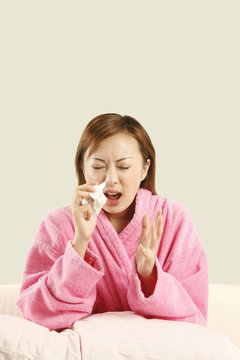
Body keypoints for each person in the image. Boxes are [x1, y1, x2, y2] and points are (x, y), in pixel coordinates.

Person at [16, 113, 208, 332]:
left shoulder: (174, 219)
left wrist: (149, 275)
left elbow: (194, 315)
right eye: (98, 167)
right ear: (82, 167)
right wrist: (80, 244)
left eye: (124, 167)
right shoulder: (57, 224)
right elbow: (35, 314)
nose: (110, 178)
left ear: (144, 168)